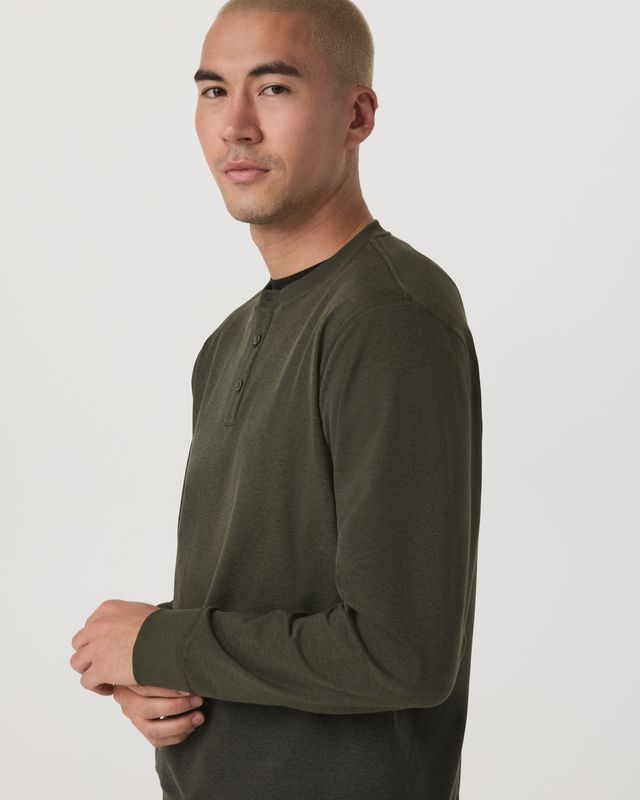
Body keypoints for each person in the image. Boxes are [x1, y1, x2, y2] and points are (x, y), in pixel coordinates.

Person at [69, 0, 483, 797]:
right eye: (214, 91)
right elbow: (267, 601)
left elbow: (400, 653)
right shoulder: (226, 344)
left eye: (274, 88)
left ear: (357, 115)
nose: (236, 127)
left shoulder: (389, 317)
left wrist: (160, 643)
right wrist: (152, 674)